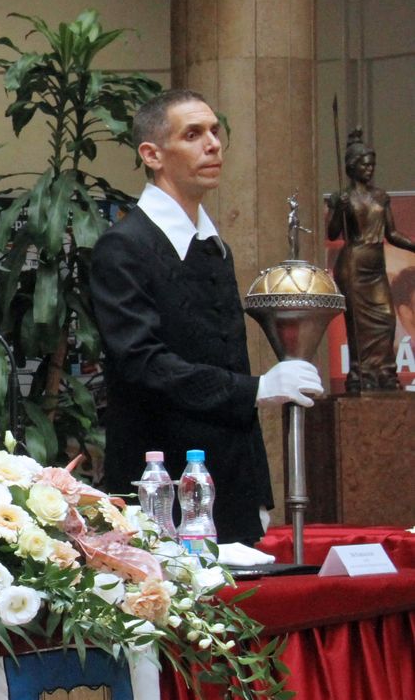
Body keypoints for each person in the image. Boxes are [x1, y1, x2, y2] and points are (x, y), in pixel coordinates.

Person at [91, 89, 322, 545]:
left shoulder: (214, 246)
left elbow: (226, 358)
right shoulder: (123, 246)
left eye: (215, 132)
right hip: (162, 488)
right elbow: (142, 363)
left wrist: (256, 491)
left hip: (230, 481)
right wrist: (256, 389)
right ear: (152, 155)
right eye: (193, 134)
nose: (213, 144)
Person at [326, 128, 415, 392]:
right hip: (353, 264)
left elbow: (392, 234)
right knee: (357, 324)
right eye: (364, 165)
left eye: (372, 165)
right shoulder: (342, 197)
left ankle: (386, 373)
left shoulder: (380, 197)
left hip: (375, 266)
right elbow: (332, 233)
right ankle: (360, 374)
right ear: (352, 167)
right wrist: (339, 210)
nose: (369, 169)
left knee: (386, 319)